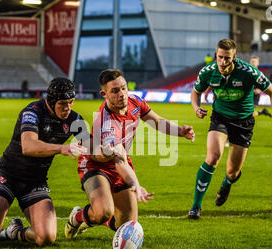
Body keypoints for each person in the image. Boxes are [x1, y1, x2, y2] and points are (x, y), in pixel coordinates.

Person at [0, 78, 89, 246]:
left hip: (35, 181)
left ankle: (15, 232)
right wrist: (61, 148)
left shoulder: (75, 119)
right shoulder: (32, 111)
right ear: (52, 101)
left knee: (46, 237)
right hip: (8, 175)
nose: (68, 108)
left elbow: (91, 146)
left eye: (71, 102)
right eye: (63, 103)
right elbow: (28, 146)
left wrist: (112, 149)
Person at [65, 68, 195, 239]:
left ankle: (94, 219)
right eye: (115, 91)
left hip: (120, 161)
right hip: (96, 164)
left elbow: (156, 121)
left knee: (126, 224)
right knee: (103, 211)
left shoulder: (134, 101)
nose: (122, 94)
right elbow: (119, 161)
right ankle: (77, 217)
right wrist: (136, 184)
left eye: (124, 88)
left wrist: (180, 132)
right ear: (104, 93)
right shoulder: (107, 124)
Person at [188, 39, 272, 219]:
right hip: (220, 118)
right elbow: (196, 92)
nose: (223, 62)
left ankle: (227, 183)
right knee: (213, 157)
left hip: (243, 123)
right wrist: (196, 108)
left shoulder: (249, 72)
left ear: (234, 57)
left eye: (227, 58)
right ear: (216, 55)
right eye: (220, 57)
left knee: (233, 172)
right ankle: (196, 206)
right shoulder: (208, 72)